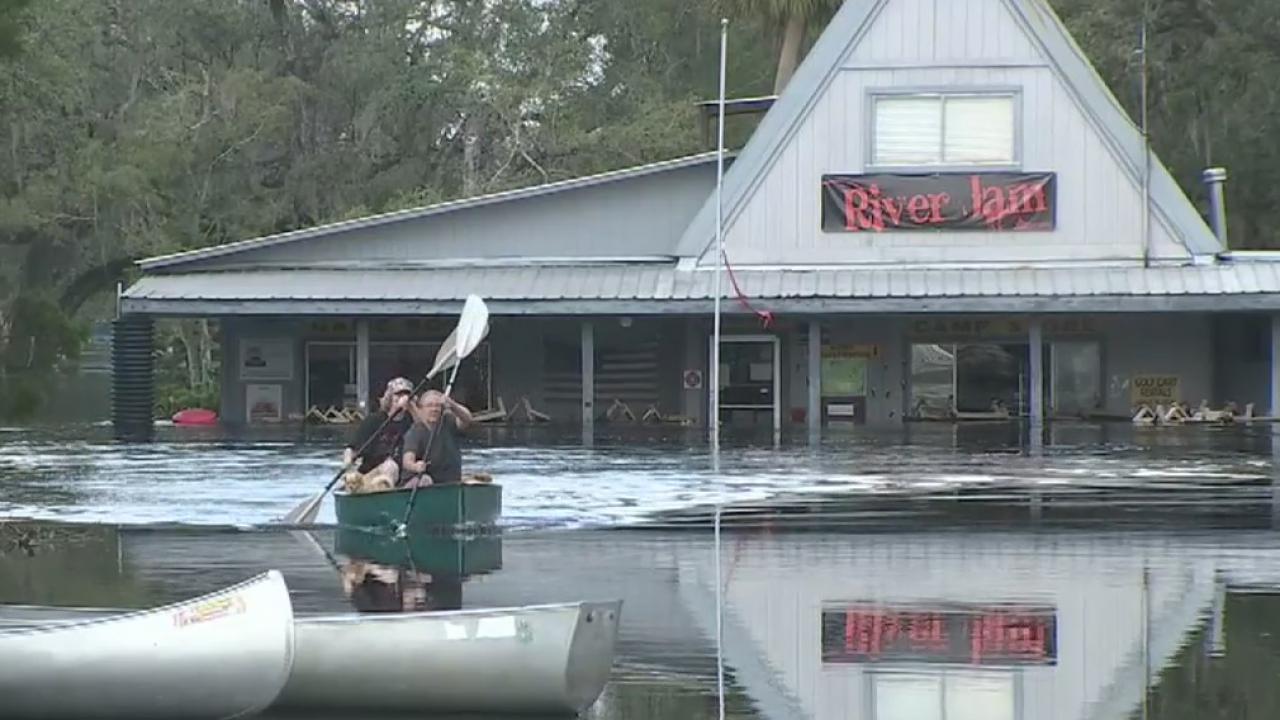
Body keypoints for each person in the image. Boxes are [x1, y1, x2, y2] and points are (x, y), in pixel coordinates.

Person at [342, 377, 415, 491]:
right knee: (390, 467)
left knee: (391, 467)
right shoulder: (374, 420)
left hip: (401, 475)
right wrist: (348, 464)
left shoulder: (412, 421)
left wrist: (412, 408)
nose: (403, 398)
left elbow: (425, 428)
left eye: (406, 395)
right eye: (398, 395)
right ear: (390, 397)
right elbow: (352, 448)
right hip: (371, 473)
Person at [401, 389, 473, 487]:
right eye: (429, 405)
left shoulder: (448, 421)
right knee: (425, 480)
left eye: (437, 406)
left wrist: (452, 404)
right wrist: (416, 466)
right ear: (421, 409)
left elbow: (467, 419)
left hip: (450, 483)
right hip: (419, 483)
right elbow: (407, 461)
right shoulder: (415, 432)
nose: (434, 409)